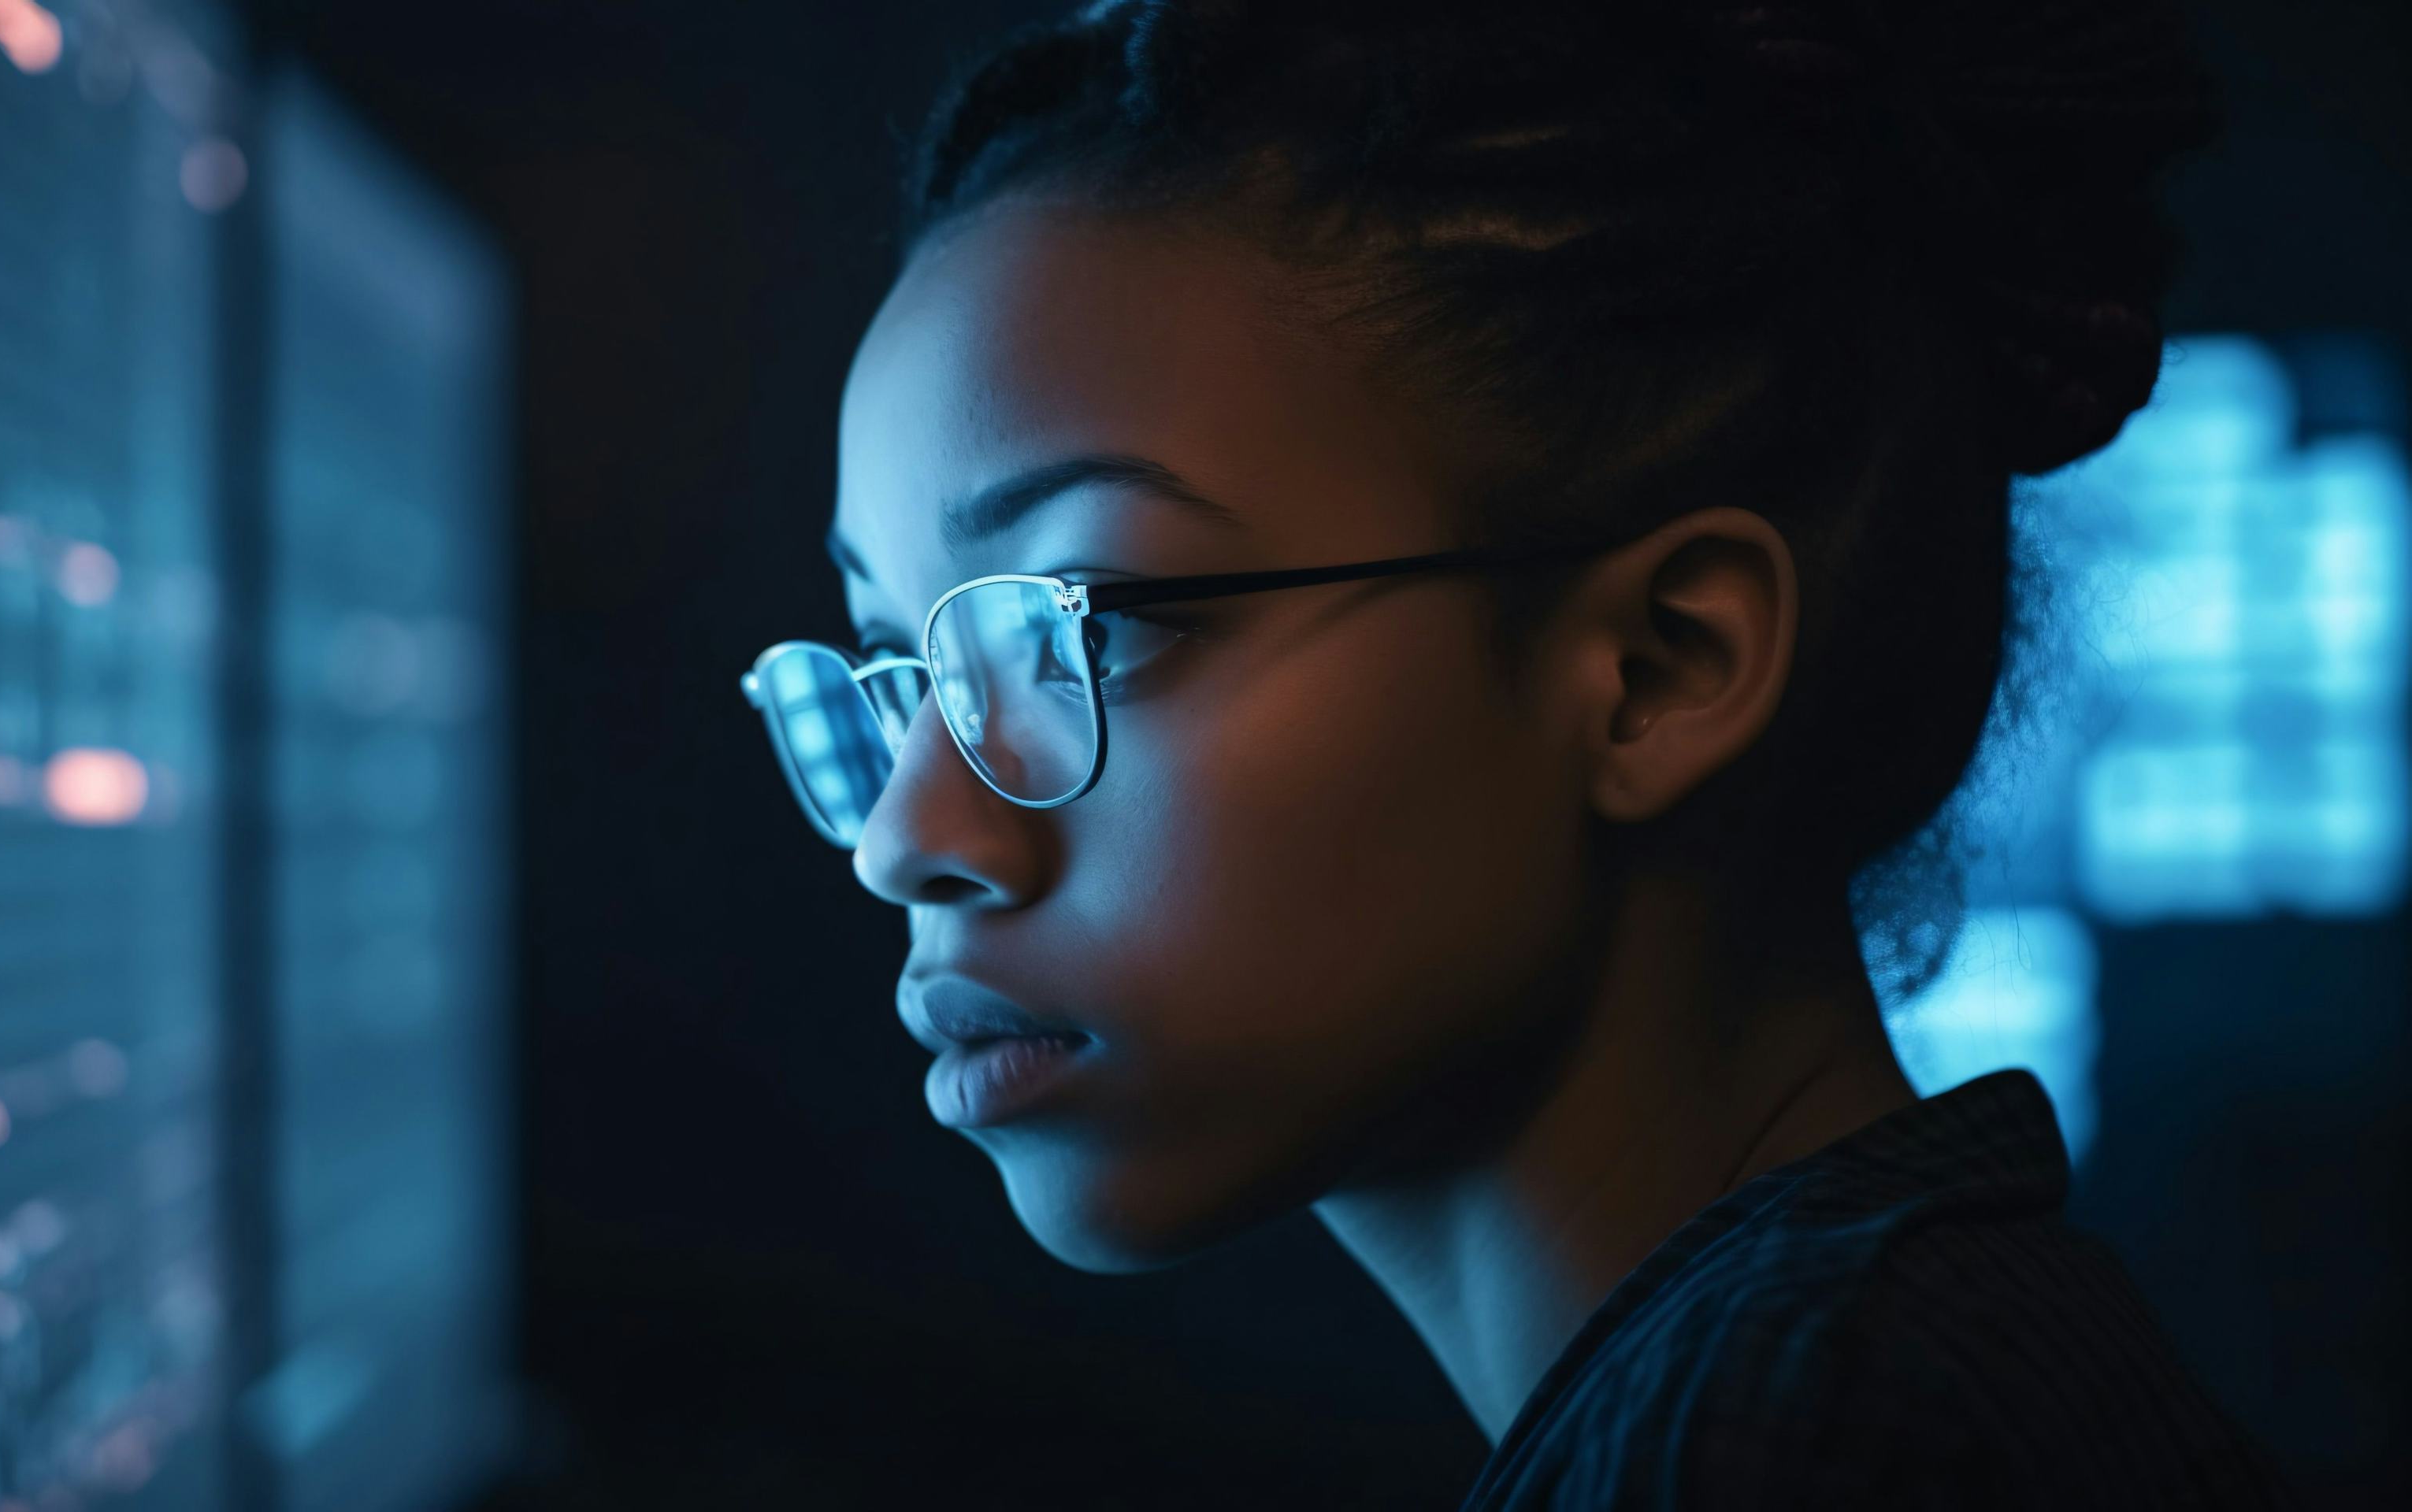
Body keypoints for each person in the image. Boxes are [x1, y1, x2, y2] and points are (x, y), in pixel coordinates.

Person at [737, 0, 2288, 1505]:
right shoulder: (1856, 1364)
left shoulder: (1807, 1432)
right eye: (895, 661)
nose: (907, 832)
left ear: (1662, 666)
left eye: (1091, 622)